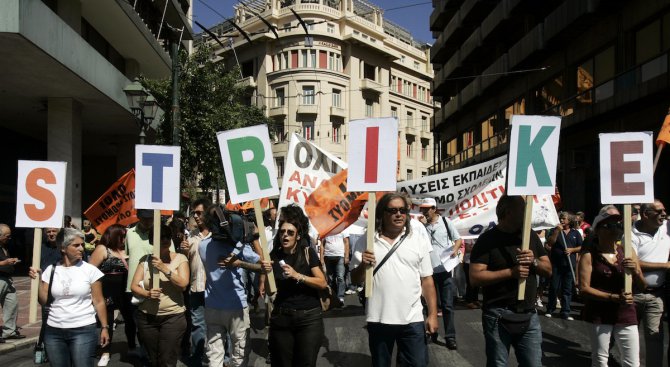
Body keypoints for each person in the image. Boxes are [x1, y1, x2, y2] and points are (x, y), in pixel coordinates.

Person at [351, 193, 438, 367]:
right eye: (392, 210)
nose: (399, 214)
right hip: (379, 318)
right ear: (382, 213)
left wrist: (433, 314)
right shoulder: (367, 241)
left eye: (403, 210)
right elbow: (354, 279)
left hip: (412, 319)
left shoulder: (418, 240)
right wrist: (363, 266)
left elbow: (427, 281)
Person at [469, 195, 552, 367]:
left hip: (529, 314)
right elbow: (475, 278)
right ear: (508, 212)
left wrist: (534, 261)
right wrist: (510, 272)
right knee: (498, 364)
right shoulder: (487, 240)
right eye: (523, 209)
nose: (528, 214)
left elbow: (548, 270)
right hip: (498, 314)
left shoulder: (529, 236)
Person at [259, 205, 328, 367]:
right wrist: (266, 273)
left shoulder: (307, 253)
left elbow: (322, 282)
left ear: (297, 236)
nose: (285, 236)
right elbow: (270, 291)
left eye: (290, 233)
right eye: (282, 232)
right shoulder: (273, 256)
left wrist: (298, 276)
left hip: (309, 319)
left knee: (305, 363)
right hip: (281, 319)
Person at [579, 205, 646, 367]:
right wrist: (613, 297)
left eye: (618, 225)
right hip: (599, 314)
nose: (615, 229)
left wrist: (635, 271)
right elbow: (583, 288)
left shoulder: (628, 252)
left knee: (632, 362)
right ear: (598, 230)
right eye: (609, 225)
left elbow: (643, 286)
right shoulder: (589, 255)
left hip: (626, 313)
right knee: (601, 360)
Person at [199, 204, 265, 367]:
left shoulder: (202, 246)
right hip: (236, 307)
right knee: (239, 354)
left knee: (214, 355)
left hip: (212, 306)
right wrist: (251, 241)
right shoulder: (238, 246)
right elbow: (263, 265)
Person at [37, 228, 110, 367]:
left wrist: (104, 327)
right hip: (54, 330)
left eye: (82, 244)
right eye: (76, 245)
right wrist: (36, 282)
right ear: (63, 248)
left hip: (83, 330)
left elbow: (99, 301)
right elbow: (43, 300)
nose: (81, 248)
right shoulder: (51, 270)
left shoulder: (90, 270)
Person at [131, 224, 189, 367]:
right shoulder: (145, 260)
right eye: (160, 237)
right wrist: (147, 293)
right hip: (147, 318)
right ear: (152, 241)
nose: (164, 240)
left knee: (167, 360)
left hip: (173, 317)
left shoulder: (180, 258)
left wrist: (164, 268)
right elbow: (133, 286)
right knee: (153, 360)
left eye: (167, 237)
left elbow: (183, 285)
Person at [418, 197, 462, 349]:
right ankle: (431, 332)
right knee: (430, 305)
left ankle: (450, 337)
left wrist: (455, 251)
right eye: (422, 208)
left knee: (448, 305)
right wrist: (422, 226)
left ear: (434, 209)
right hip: (427, 271)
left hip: (444, 269)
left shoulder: (445, 222)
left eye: (427, 208)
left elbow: (458, 240)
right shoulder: (420, 226)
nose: (424, 211)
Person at [88, 224, 134, 366]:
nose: (124, 239)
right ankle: (105, 352)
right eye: (122, 236)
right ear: (114, 236)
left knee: (130, 320)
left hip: (125, 291)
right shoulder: (102, 249)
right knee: (106, 323)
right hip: (106, 291)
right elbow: (89, 271)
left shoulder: (127, 250)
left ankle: (132, 347)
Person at [631, 199, 668, 367]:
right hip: (633, 293)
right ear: (646, 214)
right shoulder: (630, 233)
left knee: (655, 338)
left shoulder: (667, 228)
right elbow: (633, 262)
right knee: (627, 334)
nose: (663, 214)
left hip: (657, 294)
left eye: (664, 211)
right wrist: (665, 265)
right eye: (659, 211)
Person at [179, 198, 212, 366]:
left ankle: (224, 358)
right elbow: (184, 264)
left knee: (217, 325)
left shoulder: (218, 236)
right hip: (196, 288)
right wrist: (183, 253)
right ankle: (197, 357)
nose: (196, 216)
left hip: (215, 291)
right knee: (198, 325)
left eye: (199, 213)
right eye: (194, 213)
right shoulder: (190, 238)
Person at [545, 211, 582, 320]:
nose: (561, 220)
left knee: (567, 289)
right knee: (554, 287)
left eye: (564, 218)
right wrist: (557, 231)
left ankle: (565, 311)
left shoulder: (576, 233)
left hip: (569, 265)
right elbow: (550, 243)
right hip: (556, 264)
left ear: (569, 221)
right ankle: (550, 309)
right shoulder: (555, 231)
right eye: (561, 218)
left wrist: (572, 249)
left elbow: (581, 247)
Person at [0, 224, 23, 342]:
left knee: (11, 304)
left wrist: (11, 262)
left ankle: (9, 331)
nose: (9, 239)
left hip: (7, 279)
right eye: (7, 236)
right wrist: (5, 263)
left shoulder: (4, 246)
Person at [320, 230, 350, 306]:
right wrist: (321, 258)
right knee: (330, 278)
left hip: (340, 256)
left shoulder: (343, 228)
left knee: (340, 277)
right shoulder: (326, 229)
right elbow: (322, 244)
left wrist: (346, 256)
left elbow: (346, 242)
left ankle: (340, 297)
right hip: (328, 256)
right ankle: (333, 297)